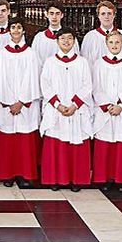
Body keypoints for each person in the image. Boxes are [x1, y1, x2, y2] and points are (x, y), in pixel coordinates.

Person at [39, 27, 94, 192]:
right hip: (57, 109)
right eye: (62, 39)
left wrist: (75, 104)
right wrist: (57, 104)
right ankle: (55, 179)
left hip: (75, 109)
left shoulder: (82, 62)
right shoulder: (50, 62)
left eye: (70, 38)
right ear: (57, 41)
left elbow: (87, 85)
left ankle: (76, 179)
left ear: (74, 41)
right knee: (56, 144)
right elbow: (45, 84)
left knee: (76, 144)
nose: (66, 42)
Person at [0, 20, 42, 188]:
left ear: (23, 31)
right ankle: (8, 174)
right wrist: (9, 102)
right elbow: (0, 79)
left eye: (19, 27)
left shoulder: (31, 54)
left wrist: (21, 101)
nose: (15, 30)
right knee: (7, 142)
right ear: (9, 31)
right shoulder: (1, 54)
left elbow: (33, 79)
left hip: (24, 105)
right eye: (13, 27)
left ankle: (25, 174)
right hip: (7, 105)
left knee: (24, 141)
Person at [91, 31, 122, 192]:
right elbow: (96, 87)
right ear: (106, 44)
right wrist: (106, 105)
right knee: (105, 144)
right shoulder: (98, 63)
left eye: (117, 42)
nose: (114, 46)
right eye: (111, 42)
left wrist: (121, 105)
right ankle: (104, 178)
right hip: (105, 110)